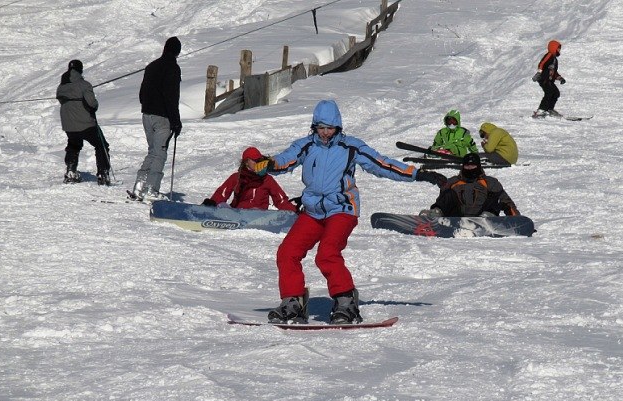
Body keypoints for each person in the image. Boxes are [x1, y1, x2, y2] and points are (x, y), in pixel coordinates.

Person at [253, 100, 446, 325]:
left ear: (338, 127)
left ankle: (346, 301)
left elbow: (382, 164)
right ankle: (293, 302)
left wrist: (418, 174)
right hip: (313, 211)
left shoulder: (351, 147)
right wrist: (269, 164)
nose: (325, 133)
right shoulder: (306, 145)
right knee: (287, 252)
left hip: (342, 210)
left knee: (327, 254)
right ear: (314, 127)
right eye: (321, 128)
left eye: (330, 128)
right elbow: (286, 160)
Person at [129, 36, 182, 201]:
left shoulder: (151, 66)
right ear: (177, 52)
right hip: (162, 117)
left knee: (152, 152)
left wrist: (147, 106)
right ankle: (151, 189)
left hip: (147, 115)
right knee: (160, 154)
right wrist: (176, 121)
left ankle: (139, 187)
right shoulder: (173, 68)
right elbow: (171, 96)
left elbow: (142, 93)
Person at [56, 59, 112, 185]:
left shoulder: (61, 86)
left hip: (69, 125)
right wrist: (95, 105)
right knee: (101, 145)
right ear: (80, 70)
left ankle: (71, 170)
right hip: (86, 123)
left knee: (73, 145)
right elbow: (92, 103)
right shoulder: (85, 84)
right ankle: (103, 173)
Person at [421, 153, 520, 218]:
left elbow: (506, 202)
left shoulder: (490, 182)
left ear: (478, 166)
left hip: (482, 216)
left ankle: (488, 216)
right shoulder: (453, 181)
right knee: (448, 193)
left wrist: (517, 221)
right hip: (457, 217)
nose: (469, 168)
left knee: (495, 196)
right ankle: (435, 214)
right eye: (467, 166)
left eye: (473, 166)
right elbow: (442, 200)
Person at [202, 147, 298, 211]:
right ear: (246, 162)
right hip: (238, 213)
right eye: (255, 160)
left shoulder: (267, 179)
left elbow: (280, 200)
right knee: (221, 206)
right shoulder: (237, 177)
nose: (258, 163)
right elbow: (222, 194)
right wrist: (212, 203)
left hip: (259, 216)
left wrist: (295, 211)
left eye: (259, 160)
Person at [532, 40, 566, 118]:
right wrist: (539, 72)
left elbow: (554, 72)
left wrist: (560, 78)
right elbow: (542, 63)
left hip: (549, 80)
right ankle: (540, 111)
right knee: (549, 93)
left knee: (556, 93)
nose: (559, 50)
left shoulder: (555, 60)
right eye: (558, 48)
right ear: (553, 48)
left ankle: (549, 109)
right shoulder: (549, 55)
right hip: (544, 79)